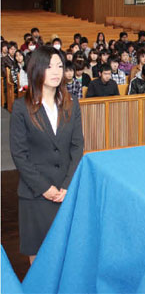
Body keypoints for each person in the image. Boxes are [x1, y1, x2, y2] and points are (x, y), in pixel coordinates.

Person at [10, 46, 84, 263]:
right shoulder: (21, 108)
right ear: (37, 69)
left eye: (60, 66)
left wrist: (67, 186)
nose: (56, 71)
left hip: (65, 191)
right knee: (40, 257)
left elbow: (77, 147)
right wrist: (45, 188)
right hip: (36, 193)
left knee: (68, 254)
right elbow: (19, 154)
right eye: (49, 66)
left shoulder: (71, 104)